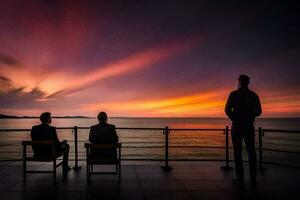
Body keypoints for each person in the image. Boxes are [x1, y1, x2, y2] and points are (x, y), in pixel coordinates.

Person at [225, 74, 262, 186]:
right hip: (249, 127)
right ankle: (253, 178)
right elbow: (259, 111)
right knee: (251, 152)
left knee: (238, 152)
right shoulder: (253, 95)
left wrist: (235, 119)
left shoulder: (234, 94)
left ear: (239, 82)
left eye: (238, 81)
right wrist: (251, 116)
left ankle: (240, 178)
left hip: (237, 127)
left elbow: (227, 109)